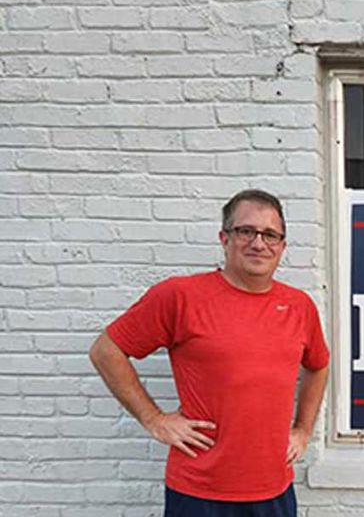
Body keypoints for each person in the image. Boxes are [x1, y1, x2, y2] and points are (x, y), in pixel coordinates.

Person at [89, 189, 330, 516]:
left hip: (273, 488)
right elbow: (107, 350)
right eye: (246, 231)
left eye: (270, 235)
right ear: (225, 237)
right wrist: (154, 419)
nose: (259, 243)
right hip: (199, 491)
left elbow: (318, 366)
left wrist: (303, 431)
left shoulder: (299, 307)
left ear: (282, 246)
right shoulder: (180, 296)